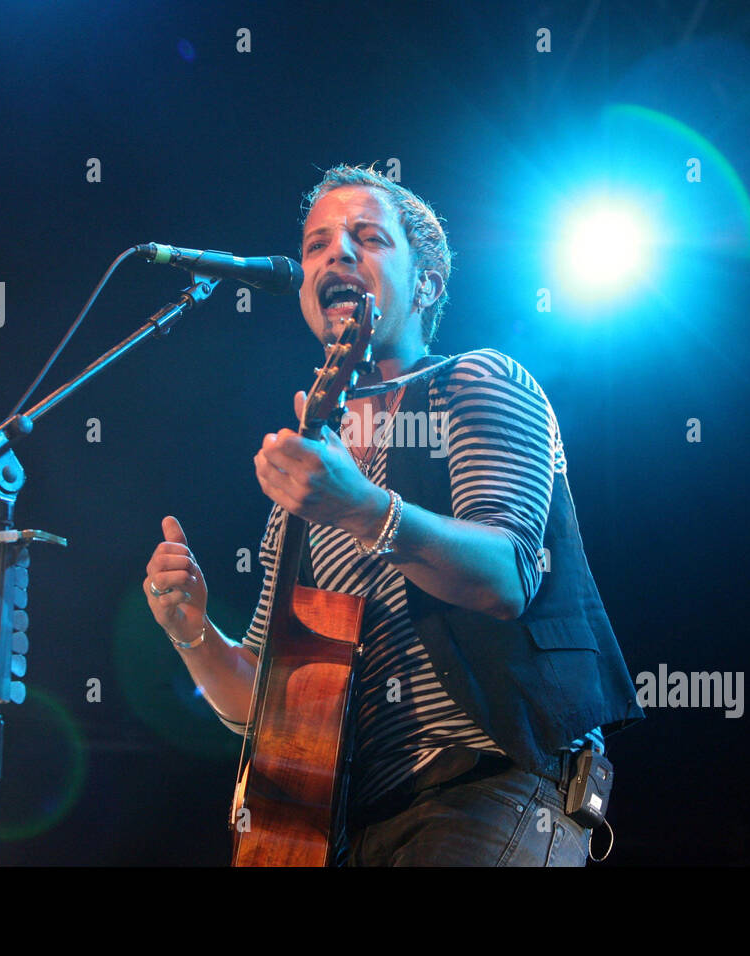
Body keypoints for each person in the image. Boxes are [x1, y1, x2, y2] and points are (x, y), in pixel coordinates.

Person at [144, 163, 643, 866]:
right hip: (350, 825)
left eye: (367, 237)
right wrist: (193, 632)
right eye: (316, 245)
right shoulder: (310, 479)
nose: (335, 255)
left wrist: (363, 509)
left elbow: (504, 574)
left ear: (426, 284)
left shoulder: (475, 381)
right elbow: (270, 700)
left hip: (490, 788)